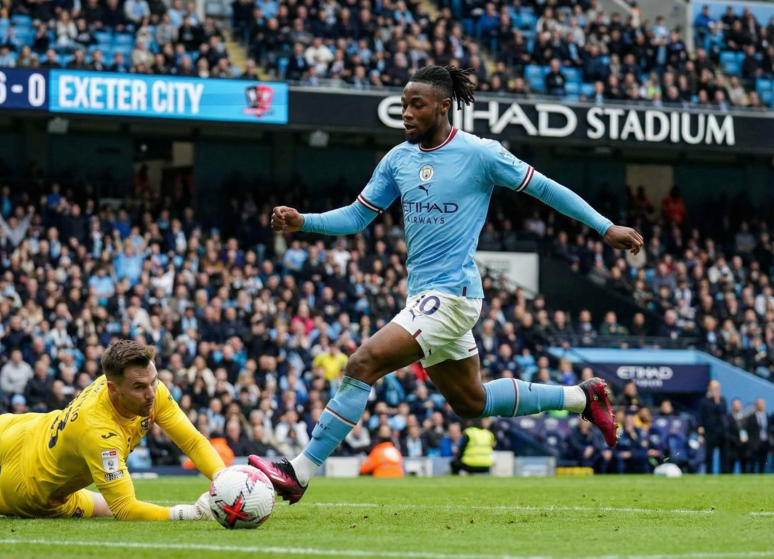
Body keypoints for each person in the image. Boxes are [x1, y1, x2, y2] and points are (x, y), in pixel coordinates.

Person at [250, 65, 643, 504]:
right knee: (470, 402)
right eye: (402, 105)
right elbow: (357, 216)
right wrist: (305, 222)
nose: (406, 113)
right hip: (423, 295)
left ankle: (298, 472)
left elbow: (547, 189)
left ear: (443, 105)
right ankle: (581, 397)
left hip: (452, 295)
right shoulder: (398, 159)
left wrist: (604, 226)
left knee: (362, 363)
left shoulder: (481, 154)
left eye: (416, 104)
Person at [0, 340, 224, 521]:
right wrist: (188, 513)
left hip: (31, 428)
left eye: (153, 381)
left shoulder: (148, 387)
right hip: (30, 485)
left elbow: (191, 439)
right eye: (140, 387)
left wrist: (223, 477)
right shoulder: (100, 432)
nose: (152, 393)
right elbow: (126, 507)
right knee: (106, 510)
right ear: (113, 388)